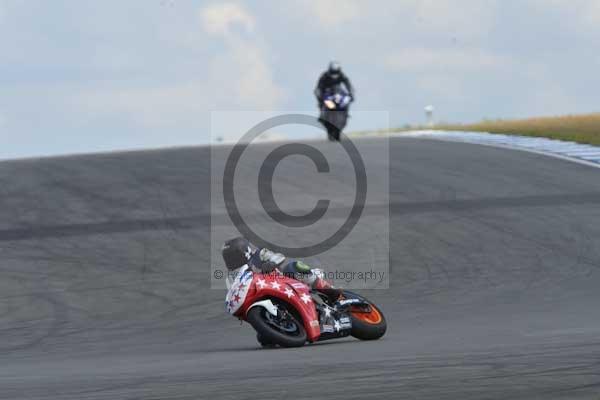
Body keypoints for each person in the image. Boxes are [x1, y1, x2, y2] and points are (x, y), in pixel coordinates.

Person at [221, 237, 341, 299]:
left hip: (283, 283)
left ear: (243, 252)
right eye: (228, 257)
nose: (230, 259)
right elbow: (234, 295)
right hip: (263, 297)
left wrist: (270, 264)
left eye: (232, 256)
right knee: (264, 339)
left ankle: (330, 290)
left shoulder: (259, 254)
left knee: (293, 267)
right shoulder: (231, 277)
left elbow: (279, 257)